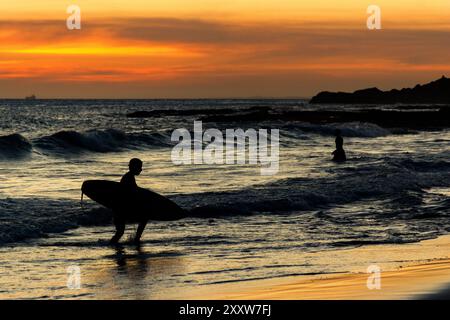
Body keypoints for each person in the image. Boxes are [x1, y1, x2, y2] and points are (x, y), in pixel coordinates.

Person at [110, 158, 147, 245]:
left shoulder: (129, 176)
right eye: (139, 167)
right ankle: (136, 240)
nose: (141, 169)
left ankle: (113, 245)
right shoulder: (128, 178)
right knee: (143, 219)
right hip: (121, 210)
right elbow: (131, 193)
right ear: (134, 167)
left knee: (120, 232)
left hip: (120, 209)